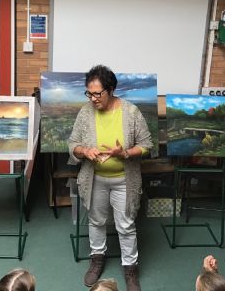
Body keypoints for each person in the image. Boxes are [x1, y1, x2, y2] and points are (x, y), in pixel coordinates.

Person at [68, 65, 152, 291]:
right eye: (89, 93)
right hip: (95, 179)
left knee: (126, 225)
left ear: (111, 89)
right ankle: (97, 258)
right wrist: (84, 151)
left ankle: (130, 268)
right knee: (96, 221)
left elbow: (147, 145)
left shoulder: (131, 112)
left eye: (97, 93)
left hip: (124, 180)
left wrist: (125, 153)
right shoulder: (85, 112)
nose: (93, 99)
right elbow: (73, 143)